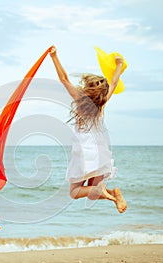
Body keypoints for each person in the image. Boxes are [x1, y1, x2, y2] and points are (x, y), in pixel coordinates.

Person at [49, 46, 127, 213]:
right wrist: (119, 65)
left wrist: (54, 56)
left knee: (75, 192)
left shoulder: (79, 99)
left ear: (87, 88)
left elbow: (64, 79)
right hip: (100, 153)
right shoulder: (101, 103)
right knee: (92, 190)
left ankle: (110, 196)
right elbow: (113, 82)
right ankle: (114, 194)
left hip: (84, 153)